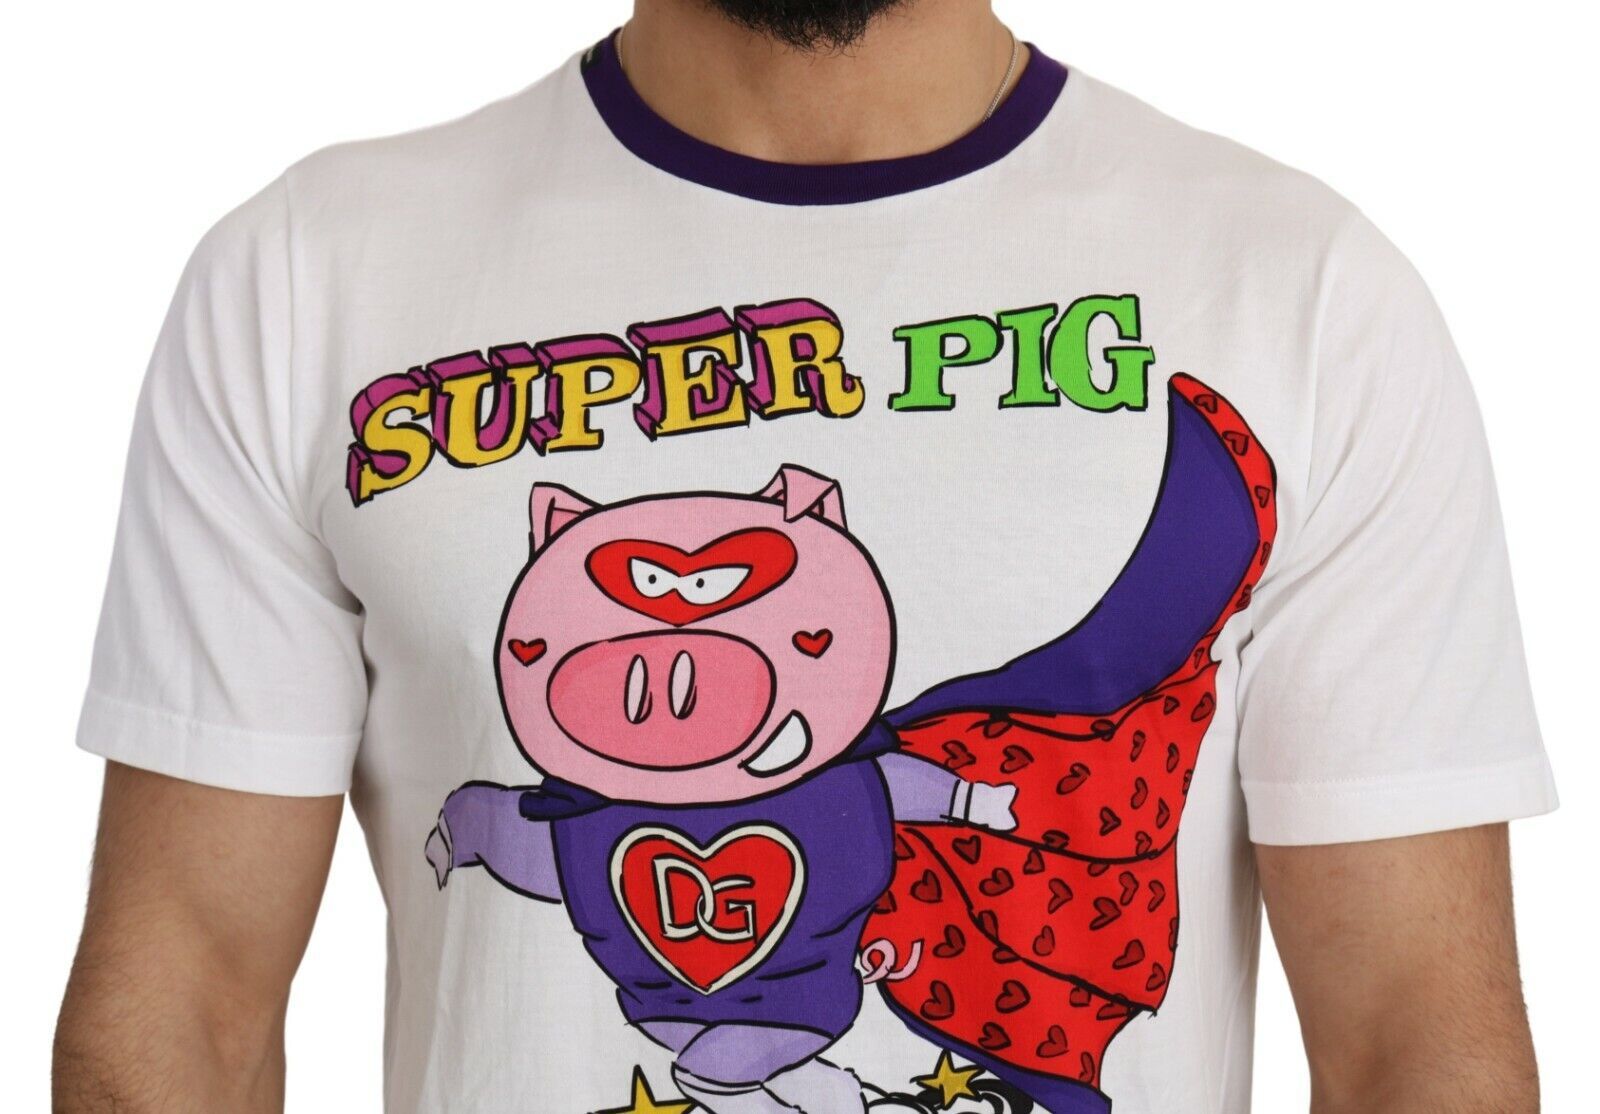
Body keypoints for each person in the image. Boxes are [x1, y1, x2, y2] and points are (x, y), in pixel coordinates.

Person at [53, 1, 1556, 1111]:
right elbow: (183, 1007)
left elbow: (1415, 1043)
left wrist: (985, 796)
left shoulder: (1301, 292)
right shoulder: (314, 272)